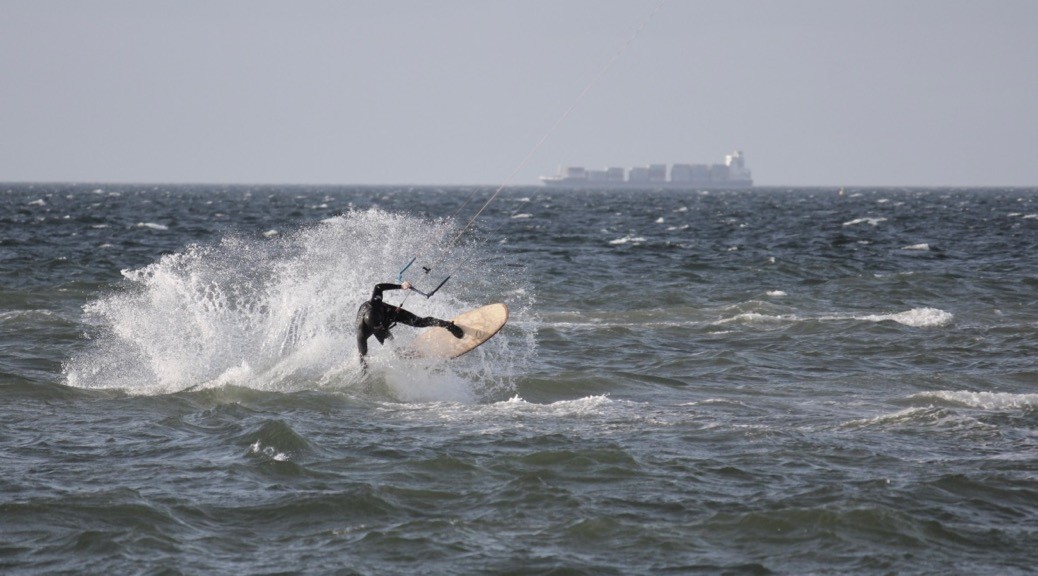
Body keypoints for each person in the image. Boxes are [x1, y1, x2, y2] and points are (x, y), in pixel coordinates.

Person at [355, 281, 463, 367]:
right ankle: (401, 353)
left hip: (387, 312)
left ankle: (448, 325)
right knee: (389, 340)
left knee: (418, 322)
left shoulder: (375, 303)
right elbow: (362, 357)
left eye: (381, 325)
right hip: (377, 326)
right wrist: (365, 373)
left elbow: (378, 287)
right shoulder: (362, 333)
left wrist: (401, 286)